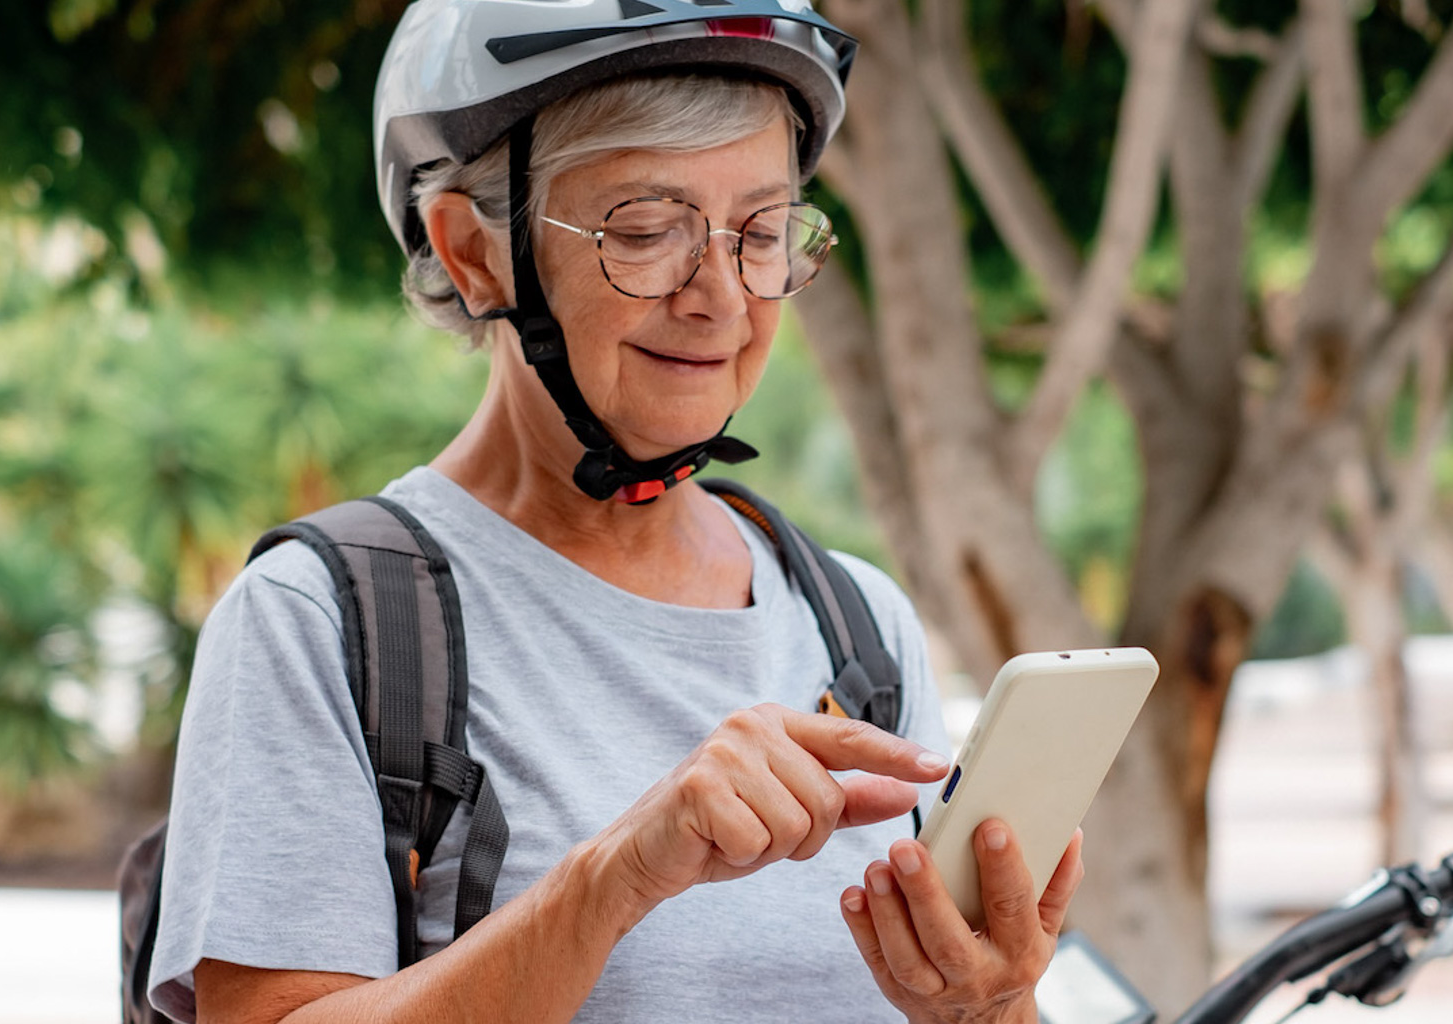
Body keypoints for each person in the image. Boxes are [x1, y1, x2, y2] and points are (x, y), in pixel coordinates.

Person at [146, 1, 1086, 1021]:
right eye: (643, 230)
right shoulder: (325, 620)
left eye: (762, 232)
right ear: (469, 251)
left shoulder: (856, 628)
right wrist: (618, 876)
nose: (720, 297)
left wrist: (989, 1008)